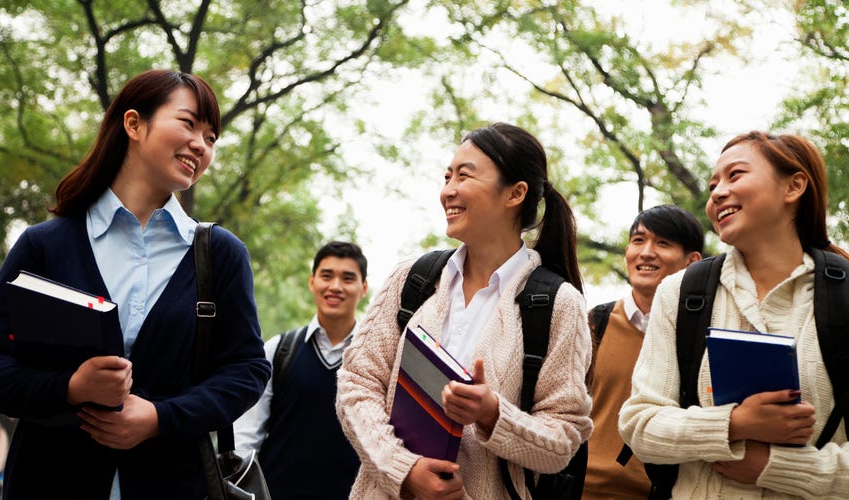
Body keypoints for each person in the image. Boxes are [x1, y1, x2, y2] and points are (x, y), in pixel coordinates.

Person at [0, 69, 271, 499]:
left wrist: (161, 417)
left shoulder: (220, 255)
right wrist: (69, 388)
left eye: (212, 137)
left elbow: (247, 370)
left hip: (175, 484)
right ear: (134, 124)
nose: (201, 144)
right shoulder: (45, 245)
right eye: (189, 123)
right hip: (47, 480)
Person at [618, 131, 849, 498]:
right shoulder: (681, 293)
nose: (717, 193)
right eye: (714, 184)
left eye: (735, 175)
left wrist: (774, 467)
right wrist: (733, 424)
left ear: (794, 187)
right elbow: (639, 425)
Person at [336, 122, 593, 499]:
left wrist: (492, 413)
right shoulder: (412, 279)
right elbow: (356, 385)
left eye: (464, 175)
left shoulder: (558, 304)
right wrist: (404, 471)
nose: (448, 191)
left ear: (515, 193)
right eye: (446, 176)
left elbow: (563, 441)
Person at [583, 205, 703, 499]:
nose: (646, 252)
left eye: (663, 243)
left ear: (692, 261)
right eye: (638, 241)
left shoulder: (700, 338)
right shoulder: (594, 323)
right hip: (580, 490)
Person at [234, 241, 369, 499]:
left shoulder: (375, 357)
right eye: (327, 276)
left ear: (363, 288)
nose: (335, 286)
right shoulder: (279, 350)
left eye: (348, 278)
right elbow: (246, 438)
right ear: (312, 282)